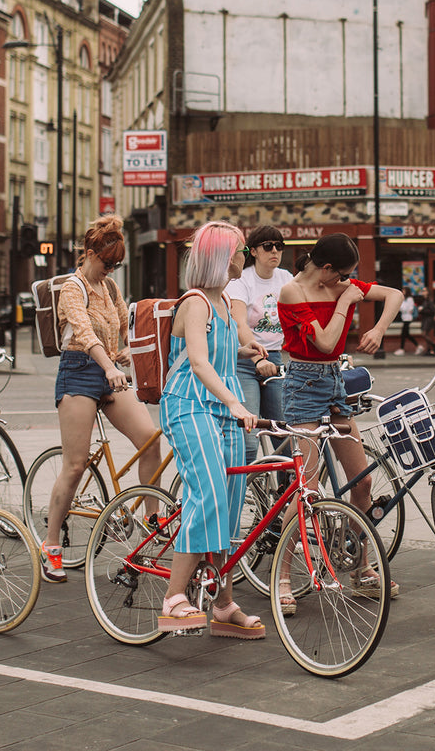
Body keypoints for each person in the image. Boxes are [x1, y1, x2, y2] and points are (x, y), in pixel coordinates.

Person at [276, 233, 403, 609]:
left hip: (335, 385)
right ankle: (282, 576)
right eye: (342, 275)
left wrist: (379, 328)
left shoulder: (340, 283)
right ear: (326, 268)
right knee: (308, 489)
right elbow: (327, 342)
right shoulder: (292, 292)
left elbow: (393, 294)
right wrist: (347, 301)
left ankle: (359, 565)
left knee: (362, 482)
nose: (347, 282)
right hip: (302, 383)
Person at [40, 215, 162, 584]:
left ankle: (151, 525)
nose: (112, 269)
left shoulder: (110, 288)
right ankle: (51, 545)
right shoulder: (72, 288)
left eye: (117, 264)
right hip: (79, 370)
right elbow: (83, 331)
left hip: (111, 370)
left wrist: (124, 352)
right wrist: (109, 364)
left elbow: (125, 325)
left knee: (150, 440)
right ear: (89, 253)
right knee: (75, 465)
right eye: (108, 262)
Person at [159, 221, 264, 639]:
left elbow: (215, 352)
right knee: (210, 495)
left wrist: (244, 347)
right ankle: (173, 599)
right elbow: (198, 363)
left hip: (222, 409)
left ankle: (222, 604)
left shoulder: (223, 304)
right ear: (222, 257)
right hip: (189, 406)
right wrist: (236, 402)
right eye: (240, 250)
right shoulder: (197, 302)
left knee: (231, 504)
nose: (245, 255)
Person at [225, 224, 293, 463]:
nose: (274, 251)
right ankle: (239, 495)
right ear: (253, 251)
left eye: (279, 246)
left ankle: (285, 495)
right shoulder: (242, 280)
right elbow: (240, 324)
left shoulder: (286, 278)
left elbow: (299, 319)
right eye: (268, 246)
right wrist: (258, 359)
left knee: (285, 435)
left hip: (275, 360)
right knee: (249, 437)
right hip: (246, 361)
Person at [394, 289, 420, 355]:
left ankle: (402, 349)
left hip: (408, 319)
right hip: (405, 318)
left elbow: (408, 309)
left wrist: (401, 307)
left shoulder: (409, 299)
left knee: (404, 334)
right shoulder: (404, 299)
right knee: (406, 334)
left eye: (404, 291)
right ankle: (418, 346)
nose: (403, 292)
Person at [417, 288, 435, 354]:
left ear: (428, 292)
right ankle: (428, 350)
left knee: (424, 334)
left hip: (428, 319)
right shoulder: (425, 300)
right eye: (423, 291)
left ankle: (433, 345)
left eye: (424, 291)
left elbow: (432, 310)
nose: (423, 292)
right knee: (426, 334)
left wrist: (422, 310)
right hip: (425, 319)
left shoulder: (429, 301)